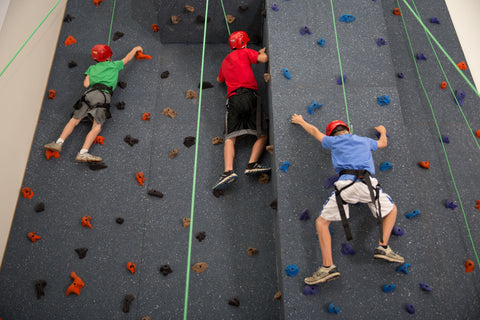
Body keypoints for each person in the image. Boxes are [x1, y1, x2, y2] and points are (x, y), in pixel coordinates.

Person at [290, 114, 404, 285]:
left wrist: (301, 121)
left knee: (322, 223)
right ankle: (383, 246)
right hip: (368, 185)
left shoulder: (333, 141)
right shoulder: (364, 140)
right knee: (392, 210)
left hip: (345, 187)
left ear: (331, 134)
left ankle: (328, 266)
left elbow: (314, 131)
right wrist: (383, 130)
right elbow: (383, 143)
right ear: (347, 129)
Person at [44, 44, 144, 162]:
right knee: (96, 127)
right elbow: (127, 58)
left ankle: (59, 142)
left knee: (74, 120)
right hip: (103, 96)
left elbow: (86, 84)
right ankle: (83, 152)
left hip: (89, 94)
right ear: (108, 57)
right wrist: (135, 49)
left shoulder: (91, 68)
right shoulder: (114, 65)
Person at [213, 31, 271, 191]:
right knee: (262, 134)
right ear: (244, 43)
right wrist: (261, 52)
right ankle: (252, 163)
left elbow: (219, 80)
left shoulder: (225, 61)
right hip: (250, 95)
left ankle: (228, 171)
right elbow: (263, 59)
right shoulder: (246, 52)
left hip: (233, 99)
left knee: (230, 138)